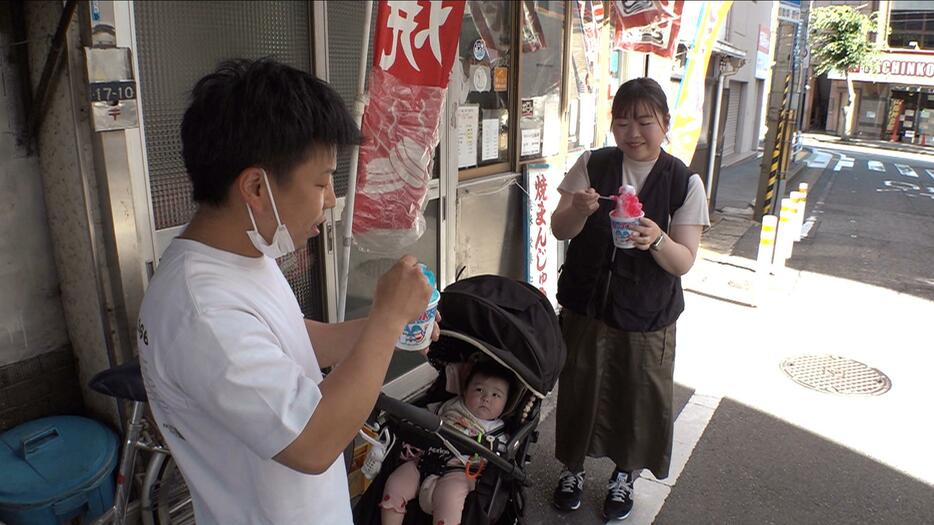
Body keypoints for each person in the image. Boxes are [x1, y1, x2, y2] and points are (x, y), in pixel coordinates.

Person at [136, 58, 434, 524]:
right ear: (256, 186)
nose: (331, 200)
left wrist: (389, 329)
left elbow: (294, 339)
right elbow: (312, 443)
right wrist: (386, 319)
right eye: (321, 182)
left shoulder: (243, 255)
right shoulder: (201, 310)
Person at [549, 77, 709, 521]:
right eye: (622, 122)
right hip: (587, 305)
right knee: (580, 388)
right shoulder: (593, 164)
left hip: (648, 313)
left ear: (664, 124)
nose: (633, 133)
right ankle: (572, 470)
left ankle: (625, 474)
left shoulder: (683, 181)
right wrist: (577, 211)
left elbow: (683, 261)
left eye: (644, 121)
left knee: (637, 397)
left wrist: (657, 239)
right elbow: (560, 229)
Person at [379, 361, 512, 525]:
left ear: (506, 403)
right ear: (465, 390)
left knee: (449, 502)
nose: (485, 398)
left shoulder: (497, 430)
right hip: (424, 460)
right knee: (395, 484)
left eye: (495, 395)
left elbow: (501, 456)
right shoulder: (450, 405)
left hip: (459, 471)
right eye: (479, 390)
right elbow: (423, 416)